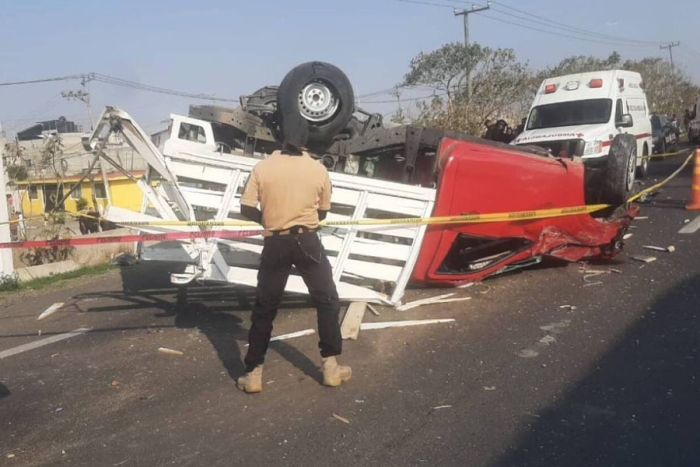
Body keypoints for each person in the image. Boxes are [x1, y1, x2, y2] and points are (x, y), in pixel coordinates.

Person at [235, 121, 351, 394]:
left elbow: (245, 207)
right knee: (327, 300)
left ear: (279, 140)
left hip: (276, 243)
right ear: (305, 143)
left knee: (265, 307)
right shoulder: (317, 169)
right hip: (307, 241)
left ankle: (253, 374)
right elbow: (323, 212)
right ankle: (331, 367)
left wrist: (269, 218)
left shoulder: (262, 168)